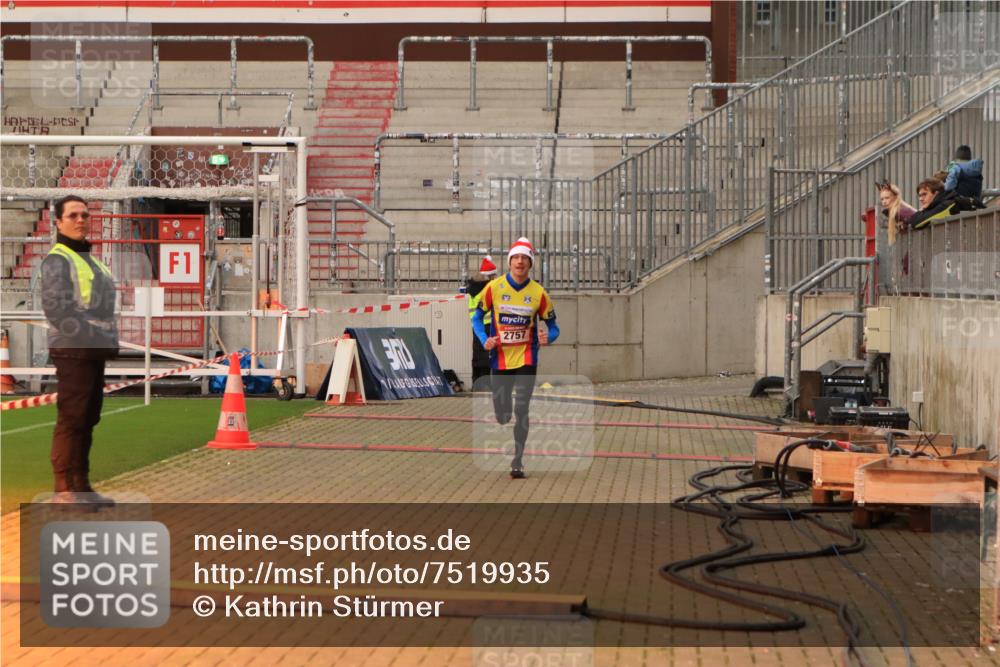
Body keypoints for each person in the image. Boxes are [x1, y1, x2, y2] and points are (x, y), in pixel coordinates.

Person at [41, 195, 119, 510]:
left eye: (85, 215)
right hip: (74, 348)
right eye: (73, 215)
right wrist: (93, 336)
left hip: (91, 348)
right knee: (73, 418)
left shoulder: (89, 259)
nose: (81, 220)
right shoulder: (58, 259)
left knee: (88, 417)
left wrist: (105, 339)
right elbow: (58, 309)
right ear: (58, 222)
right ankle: (64, 489)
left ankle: (81, 486)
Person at [471, 238, 559, 479]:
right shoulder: (494, 288)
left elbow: (554, 327)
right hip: (500, 359)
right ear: (510, 262)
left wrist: (548, 337)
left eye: (525, 258)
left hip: (527, 358)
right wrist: (484, 339)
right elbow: (476, 317)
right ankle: (503, 411)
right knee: (503, 416)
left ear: (530, 263)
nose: (520, 262)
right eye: (516, 258)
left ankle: (517, 461)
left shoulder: (539, 293)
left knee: (522, 409)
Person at [467, 255, 498, 389]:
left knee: (477, 355)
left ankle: (476, 383)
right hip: (488, 323)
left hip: (476, 325)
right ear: (491, 275)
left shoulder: (472, 286)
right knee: (487, 354)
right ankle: (485, 384)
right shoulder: (489, 287)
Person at [907, 178, 974, 231]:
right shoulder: (942, 203)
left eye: (924, 194)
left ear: (936, 193)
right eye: (920, 196)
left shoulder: (948, 204)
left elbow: (917, 223)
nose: (920, 199)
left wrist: (921, 210)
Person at [877, 181, 916, 246]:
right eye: (882, 199)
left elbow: (918, 220)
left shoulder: (900, 212)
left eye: (887, 198)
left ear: (895, 197)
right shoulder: (894, 212)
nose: (884, 202)